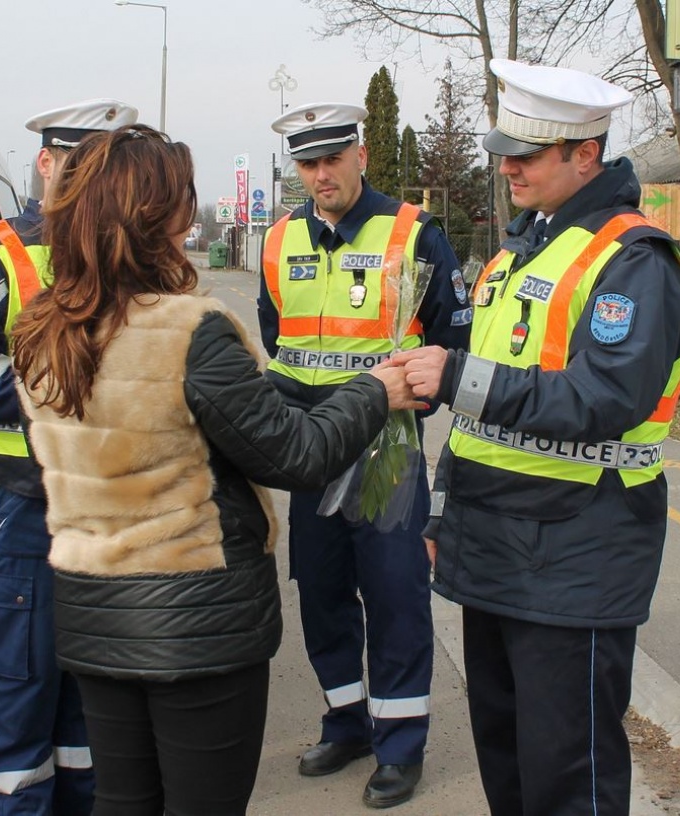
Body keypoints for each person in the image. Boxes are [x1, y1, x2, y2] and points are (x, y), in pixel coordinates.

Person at [10, 124, 424, 816]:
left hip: (91, 614)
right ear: (153, 217)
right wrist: (377, 389)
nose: (187, 214)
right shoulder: (189, 331)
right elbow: (296, 453)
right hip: (195, 626)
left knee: (123, 801)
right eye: (179, 198)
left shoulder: (42, 329)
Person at [391, 60, 680, 816]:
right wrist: (443, 508)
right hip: (495, 536)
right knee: (508, 759)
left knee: (568, 774)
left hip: (577, 547)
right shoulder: (519, 250)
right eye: (504, 150)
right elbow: (477, 421)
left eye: (526, 154)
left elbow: (609, 398)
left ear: (584, 155)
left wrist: (460, 374)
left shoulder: (633, 259)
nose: (507, 167)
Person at [0, 98, 138, 816]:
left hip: (111, 509)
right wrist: (56, 390)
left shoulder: (128, 259)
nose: (85, 186)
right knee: (21, 688)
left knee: (92, 699)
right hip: (29, 508)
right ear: (45, 164)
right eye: (74, 167)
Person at [257, 102, 473, 809]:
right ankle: (345, 721)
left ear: (361, 156)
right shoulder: (278, 237)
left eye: (331, 160)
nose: (320, 175)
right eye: (307, 164)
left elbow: (453, 340)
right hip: (310, 448)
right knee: (319, 593)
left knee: (394, 596)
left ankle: (400, 745)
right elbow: (277, 338)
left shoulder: (414, 234)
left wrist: (415, 397)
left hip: (384, 455)